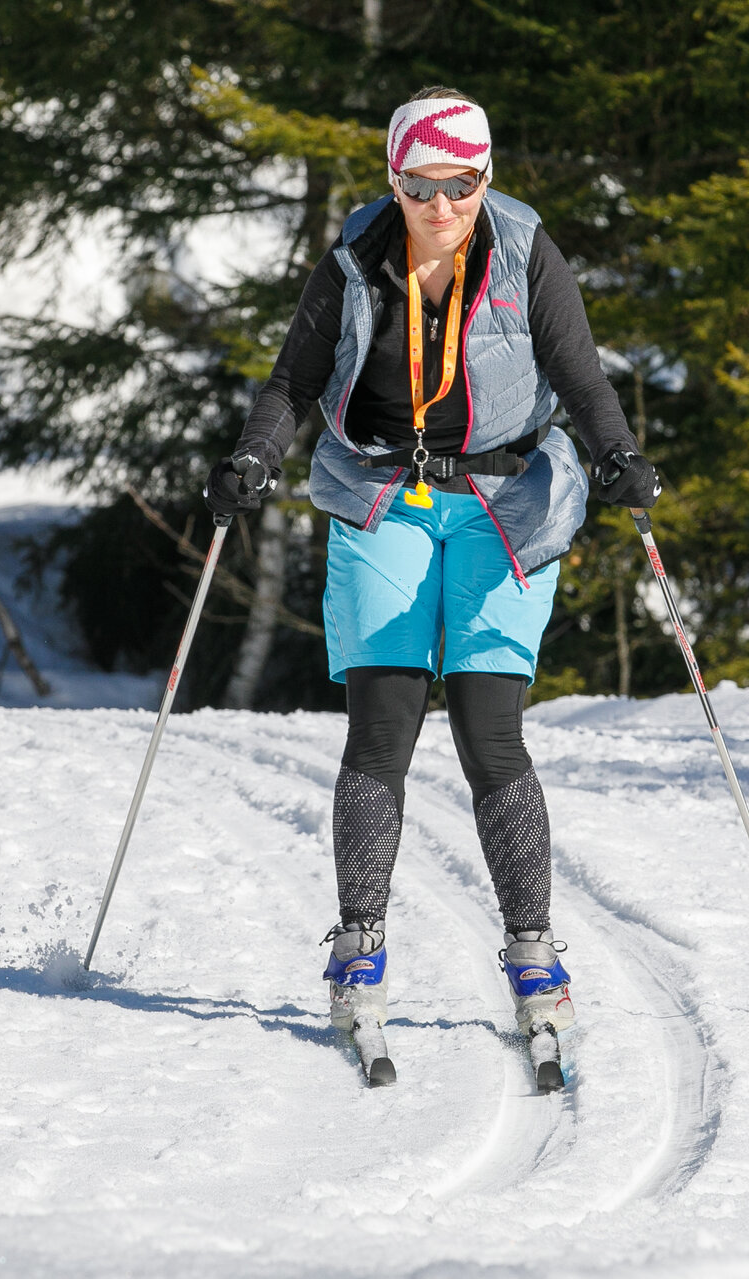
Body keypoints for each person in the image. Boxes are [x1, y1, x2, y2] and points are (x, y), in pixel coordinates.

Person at [204, 88, 662, 1074]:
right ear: (394, 180)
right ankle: (358, 953)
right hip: (384, 495)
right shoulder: (354, 261)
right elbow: (292, 380)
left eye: (460, 185)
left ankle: (535, 958)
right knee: (384, 723)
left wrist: (617, 451)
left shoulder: (525, 251)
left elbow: (579, 373)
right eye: (420, 186)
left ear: (484, 180)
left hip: (507, 498)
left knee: (490, 731)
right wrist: (254, 456)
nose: (441, 206)